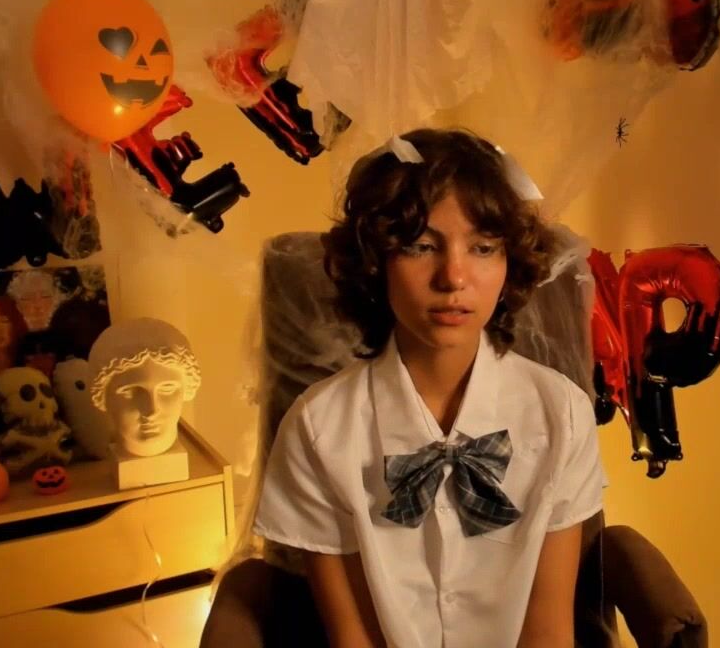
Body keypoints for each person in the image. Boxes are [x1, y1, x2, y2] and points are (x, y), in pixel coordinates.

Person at [254, 128, 606, 647]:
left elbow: (549, 631)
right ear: (376, 261)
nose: (453, 277)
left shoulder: (562, 415)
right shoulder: (318, 428)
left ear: (509, 263)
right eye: (421, 246)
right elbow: (353, 638)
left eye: (483, 248)